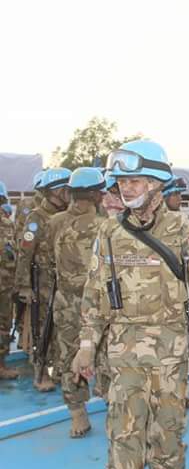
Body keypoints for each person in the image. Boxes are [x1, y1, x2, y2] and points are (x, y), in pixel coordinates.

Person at [72, 139, 189, 469]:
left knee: (168, 438)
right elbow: (95, 292)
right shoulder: (109, 231)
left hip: (171, 351)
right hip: (123, 353)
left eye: (134, 181)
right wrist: (87, 344)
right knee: (123, 438)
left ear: (155, 183)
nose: (126, 189)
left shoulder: (186, 231)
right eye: (121, 182)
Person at [48, 167, 106, 437]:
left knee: (68, 355)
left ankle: (77, 415)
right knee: (106, 353)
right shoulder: (105, 225)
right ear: (96, 194)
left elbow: (48, 259)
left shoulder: (55, 221)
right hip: (98, 303)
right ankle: (114, 405)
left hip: (65, 301)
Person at [15, 167, 72, 391]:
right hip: (43, 282)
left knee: (63, 327)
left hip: (64, 281)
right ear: (54, 191)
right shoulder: (36, 217)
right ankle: (41, 373)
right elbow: (25, 253)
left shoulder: (68, 215)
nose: (70, 193)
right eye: (66, 189)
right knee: (42, 328)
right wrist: (24, 286)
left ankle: (58, 369)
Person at [0, 181, 19, 379]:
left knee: (4, 325)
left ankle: (1, 364)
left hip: (5, 287)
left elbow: (13, 254)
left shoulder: (7, 224)